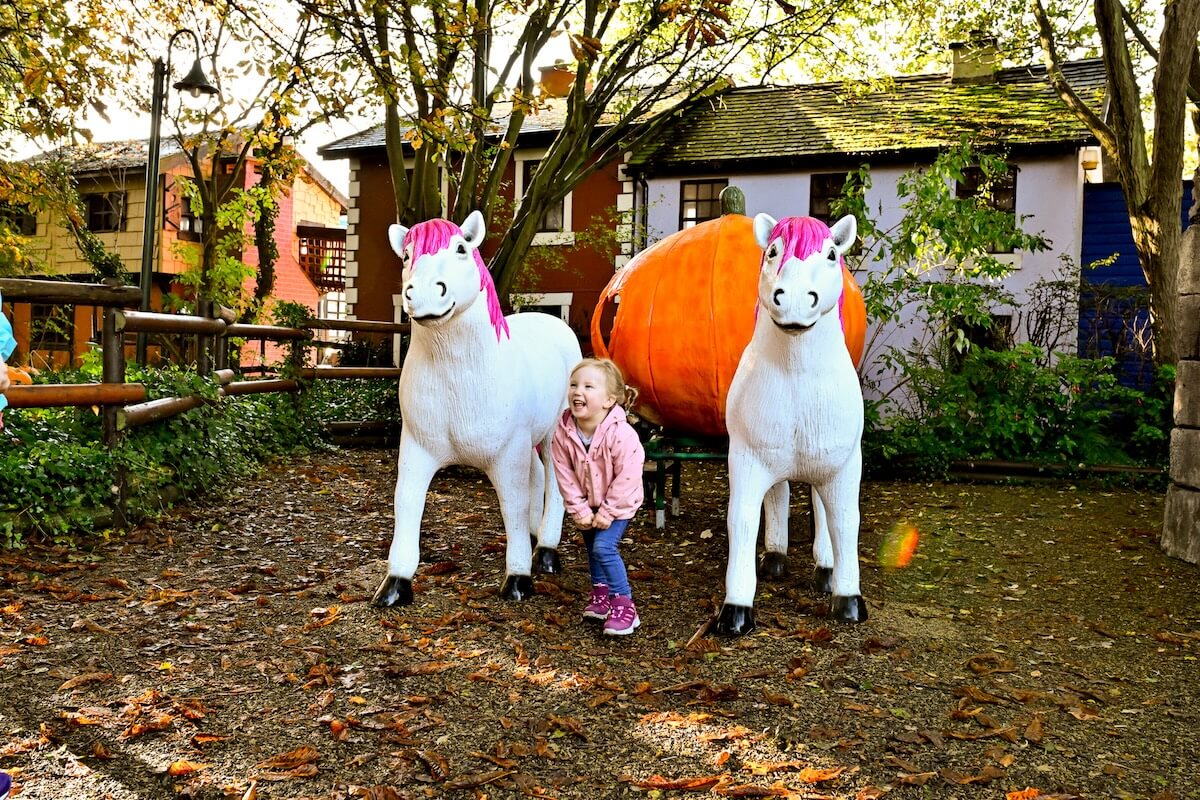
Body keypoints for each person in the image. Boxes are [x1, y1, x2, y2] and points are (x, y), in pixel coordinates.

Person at [551, 358, 646, 636]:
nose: (578, 391)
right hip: (587, 503)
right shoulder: (564, 432)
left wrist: (608, 511)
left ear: (608, 400)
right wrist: (578, 509)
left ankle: (624, 605)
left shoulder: (621, 434)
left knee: (604, 548)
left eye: (588, 387)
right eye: (574, 385)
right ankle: (601, 595)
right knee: (593, 548)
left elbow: (628, 475)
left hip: (619, 504)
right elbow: (564, 472)